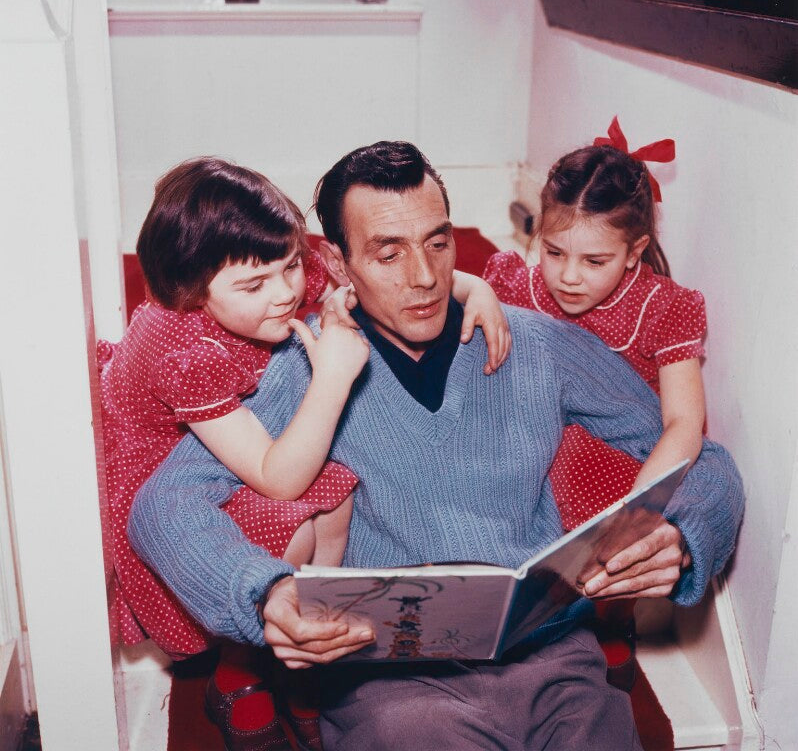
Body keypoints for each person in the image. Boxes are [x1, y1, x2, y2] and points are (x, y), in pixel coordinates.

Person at [128, 141, 744, 751]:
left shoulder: (536, 343)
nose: (423, 278)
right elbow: (162, 508)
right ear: (339, 265)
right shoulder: (305, 368)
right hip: (392, 683)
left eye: (438, 243)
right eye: (388, 254)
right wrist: (262, 591)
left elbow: (705, 460)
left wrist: (683, 538)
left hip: (557, 664)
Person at [100, 156, 510, 749]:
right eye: (254, 285)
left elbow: (373, 276)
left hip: (253, 432)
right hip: (176, 465)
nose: (286, 292)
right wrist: (333, 378)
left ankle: (308, 654)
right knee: (288, 530)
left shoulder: (283, 277)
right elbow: (278, 479)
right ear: (191, 291)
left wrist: (474, 285)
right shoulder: (181, 350)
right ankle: (239, 673)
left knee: (336, 498)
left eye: (290, 266)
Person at [482, 118, 700, 686]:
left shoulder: (663, 305)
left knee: (584, 472)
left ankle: (611, 617)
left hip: (620, 456)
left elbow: (683, 423)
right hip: (531, 431)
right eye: (553, 252)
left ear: (635, 253)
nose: (568, 277)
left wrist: (638, 509)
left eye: (594, 261)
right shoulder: (515, 284)